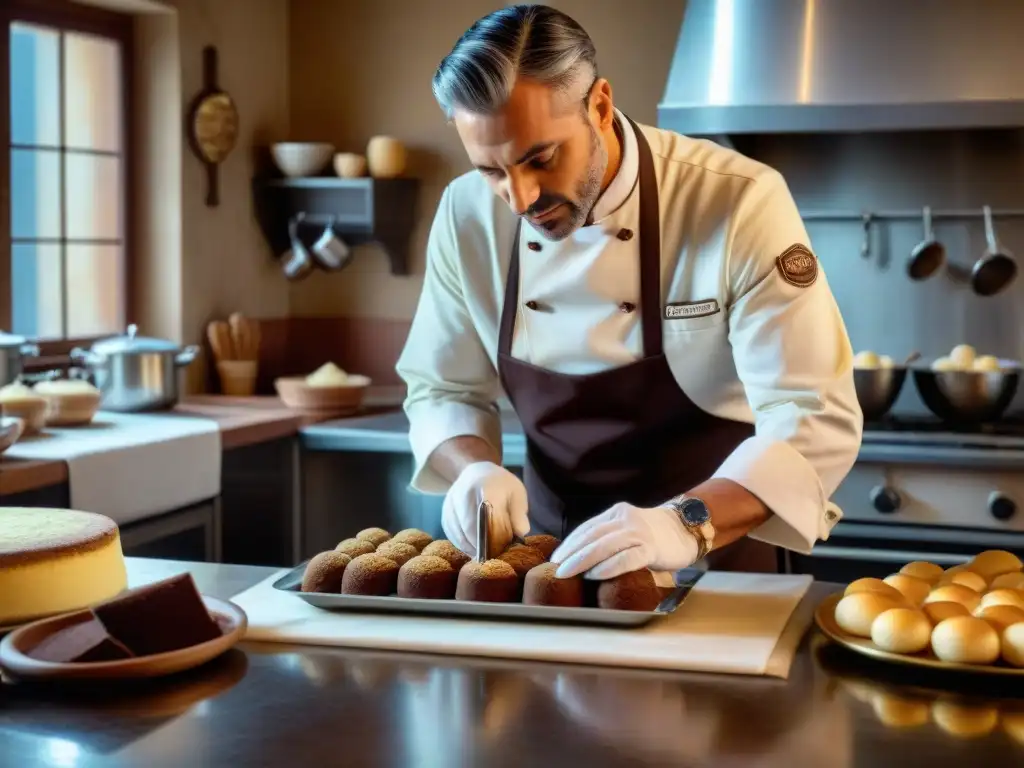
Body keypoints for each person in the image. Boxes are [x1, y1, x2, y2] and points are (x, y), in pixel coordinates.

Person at [395, 4, 862, 580]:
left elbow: (810, 413)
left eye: (539, 158)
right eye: (491, 171)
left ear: (599, 105)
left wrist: (683, 523)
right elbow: (443, 387)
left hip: (718, 555)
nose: (519, 199)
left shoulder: (738, 200)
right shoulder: (467, 213)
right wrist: (471, 470)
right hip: (552, 564)